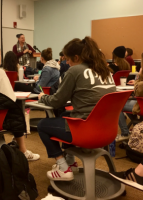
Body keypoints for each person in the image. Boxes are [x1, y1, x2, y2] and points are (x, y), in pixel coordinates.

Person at [37, 37, 116, 181]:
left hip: (86, 131)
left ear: (76, 57)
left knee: (42, 125)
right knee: (67, 114)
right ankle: (71, 161)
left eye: (67, 59)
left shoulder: (75, 71)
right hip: (107, 129)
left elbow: (56, 101)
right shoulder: (105, 70)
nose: (67, 63)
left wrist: (42, 97)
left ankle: (63, 167)